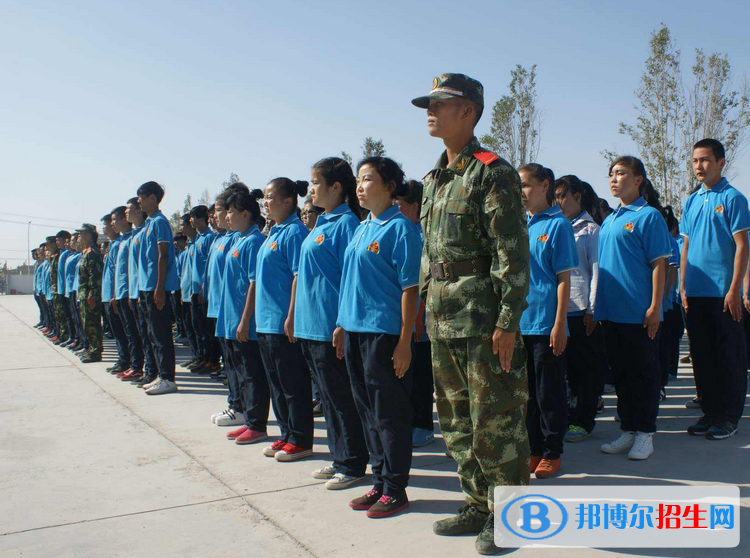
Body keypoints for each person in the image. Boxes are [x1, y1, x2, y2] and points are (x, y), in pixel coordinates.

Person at [412, 73, 530, 554]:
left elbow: (512, 254)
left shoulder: (492, 171)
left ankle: (514, 517)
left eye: (441, 103)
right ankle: (479, 503)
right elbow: (429, 254)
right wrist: (425, 306)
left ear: (469, 111)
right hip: (443, 318)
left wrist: (507, 321)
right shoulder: (435, 179)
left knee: (496, 420)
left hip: (483, 320)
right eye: (428, 103)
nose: (430, 111)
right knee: (457, 420)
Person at [334, 156, 420, 518]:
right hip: (355, 331)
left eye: (367, 179)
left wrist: (404, 341)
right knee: (366, 411)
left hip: (384, 335)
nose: (359, 186)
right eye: (358, 179)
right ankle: (380, 480)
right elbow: (350, 281)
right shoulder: (361, 227)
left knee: (389, 414)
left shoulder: (401, 229)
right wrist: (341, 324)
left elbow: (410, 289)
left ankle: (396, 488)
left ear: (389, 185)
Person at [294, 156, 369, 490]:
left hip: (330, 325)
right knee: (327, 396)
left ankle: (353, 463)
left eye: (315, 183)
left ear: (336, 187)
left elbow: (351, 278)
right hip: (311, 325)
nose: (310, 190)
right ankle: (340, 458)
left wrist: (341, 323)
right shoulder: (321, 223)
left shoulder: (347, 224)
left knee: (341, 398)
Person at [595, 156, 671, 460]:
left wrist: (655, 307)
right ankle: (627, 429)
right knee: (622, 375)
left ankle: (645, 433)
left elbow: (659, 265)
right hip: (611, 312)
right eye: (611, 174)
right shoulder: (611, 219)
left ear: (638, 179)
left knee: (644, 374)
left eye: (621, 173)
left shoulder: (648, 216)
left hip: (638, 313)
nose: (614, 179)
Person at [681, 138, 749, 440]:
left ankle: (728, 417)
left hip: (724, 294)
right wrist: (682, 286)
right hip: (695, 293)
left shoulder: (734, 199)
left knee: (729, 356)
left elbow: (742, 247)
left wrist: (736, 289)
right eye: (696, 160)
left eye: (706, 160)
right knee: (702, 356)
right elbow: (685, 245)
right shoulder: (692, 200)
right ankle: (709, 413)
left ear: (721, 163)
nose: (700, 166)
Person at [518, 164, 578, 479]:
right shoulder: (521, 225)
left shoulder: (558, 225)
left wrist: (559, 324)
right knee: (526, 393)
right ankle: (534, 448)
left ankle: (553, 451)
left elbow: (563, 279)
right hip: (521, 322)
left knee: (548, 391)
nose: (522, 193)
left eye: (526, 186)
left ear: (544, 185)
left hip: (545, 323)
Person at [256, 177, 314, 462]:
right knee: (277, 384)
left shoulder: (294, 232)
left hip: (282, 321)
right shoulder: (274, 231)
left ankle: (301, 439)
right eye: (264, 198)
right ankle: (286, 433)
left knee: (293, 384)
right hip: (265, 321)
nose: (266, 202)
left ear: (288, 200)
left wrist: (291, 315)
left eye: (270, 197)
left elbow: (297, 276)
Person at [554, 175, 607, 443]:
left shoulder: (590, 230)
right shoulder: (556, 227)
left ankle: (584, 420)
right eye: (556, 196)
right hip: (559, 313)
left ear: (577, 197)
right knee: (565, 371)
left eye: (563, 195)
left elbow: (596, 271)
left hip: (581, 309)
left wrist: (592, 310)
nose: (559, 201)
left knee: (585, 370)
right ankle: (568, 416)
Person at [216, 189, 271, 444]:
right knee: (240, 371)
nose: (227, 217)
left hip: (244, 321)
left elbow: (254, 283)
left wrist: (246, 319)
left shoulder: (253, 241)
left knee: (253, 374)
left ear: (245, 213)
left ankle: (258, 424)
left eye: (231, 212)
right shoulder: (239, 239)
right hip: (231, 320)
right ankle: (249, 419)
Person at [395, 179, 436, 448]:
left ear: (414, 207)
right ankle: (411, 422)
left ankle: (423, 425)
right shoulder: (404, 230)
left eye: (399, 205)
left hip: (423, 319)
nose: (395, 210)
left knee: (421, 375)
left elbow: (421, 283)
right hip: (408, 319)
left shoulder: (422, 235)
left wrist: (419, 318)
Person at [209, 183, 249, 426]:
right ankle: (234, 403)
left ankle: (241, 407)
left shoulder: (240, 238)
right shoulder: (224, 238)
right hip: (222, 309)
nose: (216, 216)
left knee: (240, 365)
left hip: (235, 312)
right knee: (230, 363)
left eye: (219, 210)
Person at [136, 181, 180, 395]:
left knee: (161, 333)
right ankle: (159, 375)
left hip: (156, 286)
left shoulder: (160, 222)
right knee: (153, 333)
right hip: (147, 286)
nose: (139, 202)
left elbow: (163, 255)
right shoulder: (149, 223)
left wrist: (160, 287)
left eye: (142, 197)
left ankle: (168, 378)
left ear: (153, 198)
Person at [110, 205, 145, 382]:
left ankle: (137, 366)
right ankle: (133, 364)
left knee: (135, 333)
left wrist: (136, 292)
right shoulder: (123, 241)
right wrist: (116, 294)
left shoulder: (133, 238)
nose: (113, 224)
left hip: (131, 292)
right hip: (123, 292)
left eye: (115, 219)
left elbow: (136, 269)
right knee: (128, 332)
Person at [189, 205, 220, 374]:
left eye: (193, 217)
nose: (191, 221)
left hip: (204, 291)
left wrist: (204, 287)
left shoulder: (209, 237)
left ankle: (213, 360)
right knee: (198, 327)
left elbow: (208, 268)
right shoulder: (197, 239)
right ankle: (203, 357)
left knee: (208, 329)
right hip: (194, 291)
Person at [101, 211, 130, 375]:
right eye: (107, 223)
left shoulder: (121, 243)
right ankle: (122, 359)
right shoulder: (112, 245)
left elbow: (119, 272)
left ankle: (126, 360)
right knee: (116, 331)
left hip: (117, 294)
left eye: (110, 222)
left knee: (122, 331)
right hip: (109, 294)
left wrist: (114, 295)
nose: (108, 226)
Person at [76, 224, 104, 363]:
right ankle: (91, 349)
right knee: (87, 324)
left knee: (92, 324)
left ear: (89, 235)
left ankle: (96, 352)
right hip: (84, 294)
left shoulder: (92, 252)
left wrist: (92, 294)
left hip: (90, 295)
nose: (79, 237)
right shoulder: (86, 252)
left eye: (81, 234)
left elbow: (95, 275)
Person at [178, 214, 200, 368]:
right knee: (190, 327)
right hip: (186, 293)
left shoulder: (201, 241)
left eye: (183, 224)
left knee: (201, 329)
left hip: (195, 293)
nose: (181, 228)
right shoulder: (190, 245)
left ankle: (206, 358)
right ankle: (196, 355)